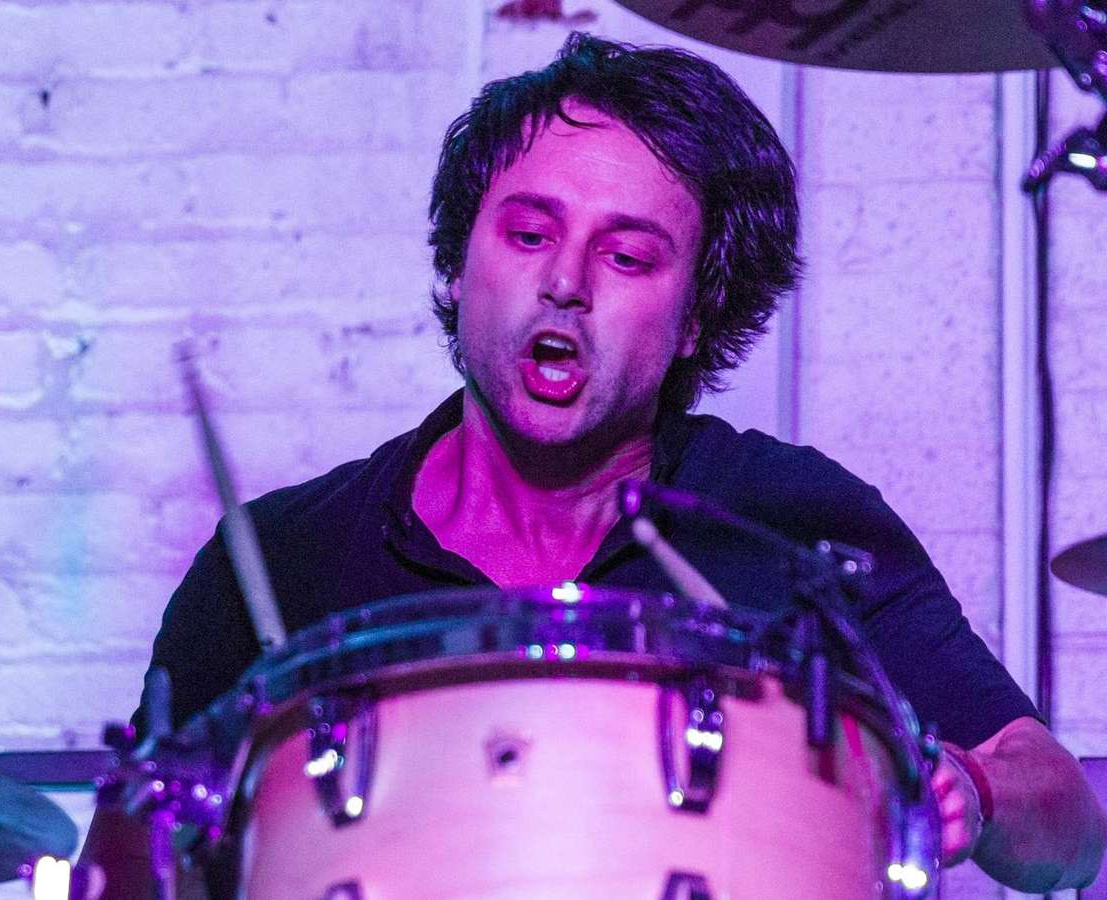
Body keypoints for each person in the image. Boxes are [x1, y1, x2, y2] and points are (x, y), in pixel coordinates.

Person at [83, 32, 1105, 895]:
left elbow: (1067, 825)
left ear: (698, 315)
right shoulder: (284, 556)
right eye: (529, 233)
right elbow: (122, 868)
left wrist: (976, 787)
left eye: (627, 255)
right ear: (460, 261)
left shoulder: (791, 520)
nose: (565, 282)